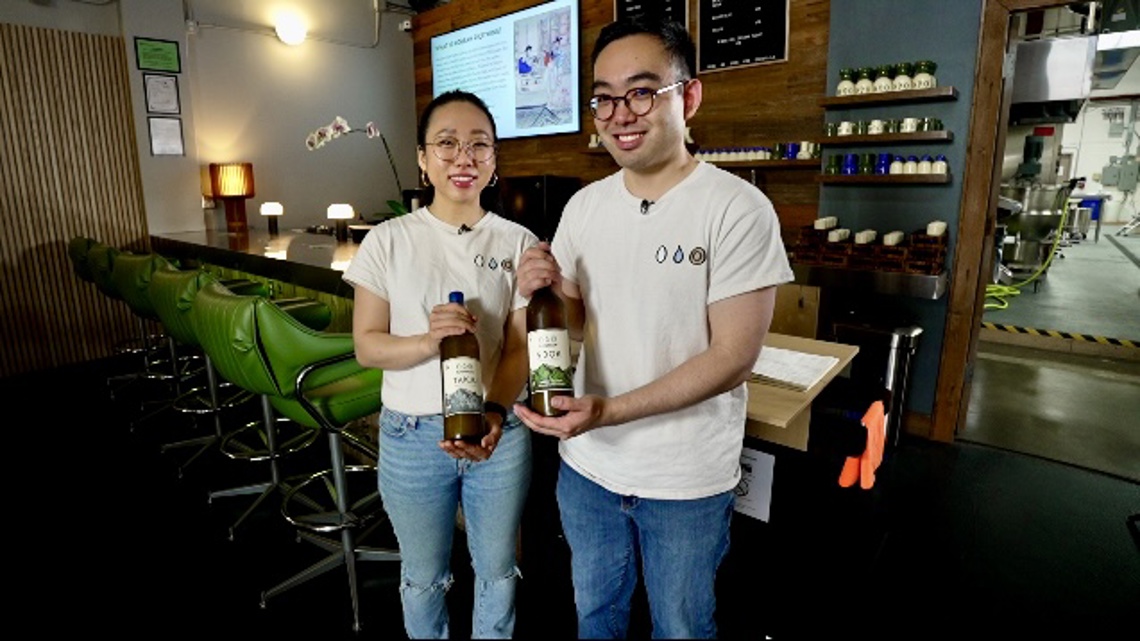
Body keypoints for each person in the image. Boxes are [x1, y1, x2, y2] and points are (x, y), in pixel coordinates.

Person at [512, 15, 794, 639]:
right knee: (596, 616)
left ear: (688, 97)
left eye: (641, 92)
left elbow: (733, 358)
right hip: (586, 468)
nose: (620, 114)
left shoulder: (737, 208)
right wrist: (547, 290)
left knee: (681, 627)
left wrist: (610, 410)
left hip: (685, 479)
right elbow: (579, 323)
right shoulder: (584, 206)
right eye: (604, 98)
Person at [344, 89, 535, 639]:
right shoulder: (387, 241)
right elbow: (368, 346)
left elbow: (520, 348)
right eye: (447, 144)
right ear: (423, 160)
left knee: (498, 570)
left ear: (494, 160)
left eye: (479, 145)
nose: (463, 158)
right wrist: (429, 342)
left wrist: (495, 411)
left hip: (498, 431)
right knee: (424, 575)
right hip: (411, 435)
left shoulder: (518, 243)